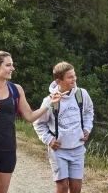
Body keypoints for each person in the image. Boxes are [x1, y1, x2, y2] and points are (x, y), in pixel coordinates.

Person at [0, 51, 63, 193]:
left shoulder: (16, 90)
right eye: (8, 65)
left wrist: (49, 104)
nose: (13, 68)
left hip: (8, 150)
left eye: (12, 65)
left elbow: (30, 117)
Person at [33, 62, 94, 193]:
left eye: (74, 75)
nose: (74, 79)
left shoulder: (81, 94)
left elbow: (89, 112)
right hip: (59, 150)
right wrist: (49, 140)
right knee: (62, 187)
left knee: (76, 188)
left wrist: (87, 129)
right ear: (58, 81)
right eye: (70, 77)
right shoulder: (50, 101)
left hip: (78, 148)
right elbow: (38, 122)